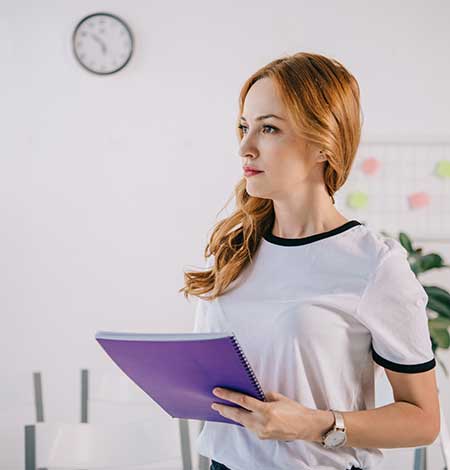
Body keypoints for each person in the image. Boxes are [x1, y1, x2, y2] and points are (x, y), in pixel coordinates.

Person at [179, 51, 440, 470]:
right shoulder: (237, 250)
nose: (245, 147)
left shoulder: (374, 263)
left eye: (268, 128)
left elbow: (423, 421)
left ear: (323, 143)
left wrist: (315, 424)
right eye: (244, 127)